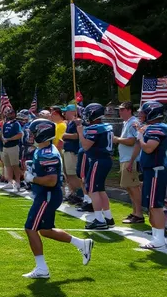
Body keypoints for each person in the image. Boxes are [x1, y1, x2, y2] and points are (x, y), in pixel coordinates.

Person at [22, 119, 94, 279]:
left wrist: (32, 178)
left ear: (41, 133)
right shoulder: (42, 150)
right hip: (46, 194)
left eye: (34, 133)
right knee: (45, 230)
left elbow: (51, 180)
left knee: (30, 228)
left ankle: (42, 268)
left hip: (47, 195)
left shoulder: (48, 153)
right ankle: (82, 244)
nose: (31, 136)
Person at [76, 103, 115, 229]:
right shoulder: (106, 127)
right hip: (105, 159)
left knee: (92, 190)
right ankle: (108, 217)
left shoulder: (95, 128)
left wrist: (80, 133)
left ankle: (99, 219)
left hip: (98, 160)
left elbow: (86, 145)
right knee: (100, 189)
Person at [135, 101, 167, 249]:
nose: (141, 114)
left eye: (143, 112)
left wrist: (140, 136)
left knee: (155, 205)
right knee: (151, 204)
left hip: (156, 170)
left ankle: (159, 239)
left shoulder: (156, 128)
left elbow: (148, 148)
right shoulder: (155, 127)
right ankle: (157, 235)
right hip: (152, 170)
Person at [113, 102, 144, 223]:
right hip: (125, 158)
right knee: (129, 187)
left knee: (133, 187)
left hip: (131, 159)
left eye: (122, 110)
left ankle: (139, 214)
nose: (120, 112)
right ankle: (135, 212)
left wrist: (116, 139)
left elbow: (132, 141)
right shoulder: (127, 122)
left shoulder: (133, 122)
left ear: (129, 110)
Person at [61, 106, 84, 205]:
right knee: (68, 174)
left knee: (73, 174)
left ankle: (80, 194)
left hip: (73, 151)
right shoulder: (69, 122)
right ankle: (73, 193)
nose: (64, 114)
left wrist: (65, 135)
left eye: (66, 112)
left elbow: (77, 135)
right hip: (67, 150)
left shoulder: (76, 122)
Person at [1, 107, 23, 191]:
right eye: (7, 113)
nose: (8, 114)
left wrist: (9, 139)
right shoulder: (6, 123)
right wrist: (3, 139)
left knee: (15, 165)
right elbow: (2, 133)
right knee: (7, 165)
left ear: (14, 114)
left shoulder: (16, 123)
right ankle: (10, 182)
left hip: (13, 146)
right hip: (5, 147)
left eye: (10, 113)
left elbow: (20, 134)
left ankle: (18, 182)